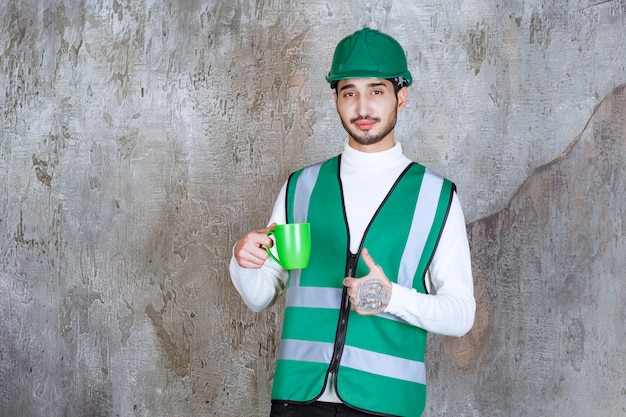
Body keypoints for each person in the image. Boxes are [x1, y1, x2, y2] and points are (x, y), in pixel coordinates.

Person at [230, 27, 475, 417]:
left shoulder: (436, 196)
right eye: (349, 92)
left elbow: (461, 314)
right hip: (297, 400)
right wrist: (242, 262)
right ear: (336, 100)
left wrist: (392, 297)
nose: (362, 107)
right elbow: (260, 296)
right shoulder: (302, 187)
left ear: (402, 96)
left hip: (386, 406)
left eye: (376, 90)